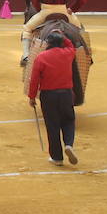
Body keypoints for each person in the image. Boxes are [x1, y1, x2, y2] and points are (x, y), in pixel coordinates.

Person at [27, 32, 78, 166]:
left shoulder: (41, 57)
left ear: (48, 43)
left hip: (48, 95)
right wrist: (64, 36)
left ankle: (57, 157)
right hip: (66, 94)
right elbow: (71, 46)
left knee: (52, 125)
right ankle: (68, 144)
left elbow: (34, 80)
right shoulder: (68, 53)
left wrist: (32, 97)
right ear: (61, 43)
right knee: (68, 120)